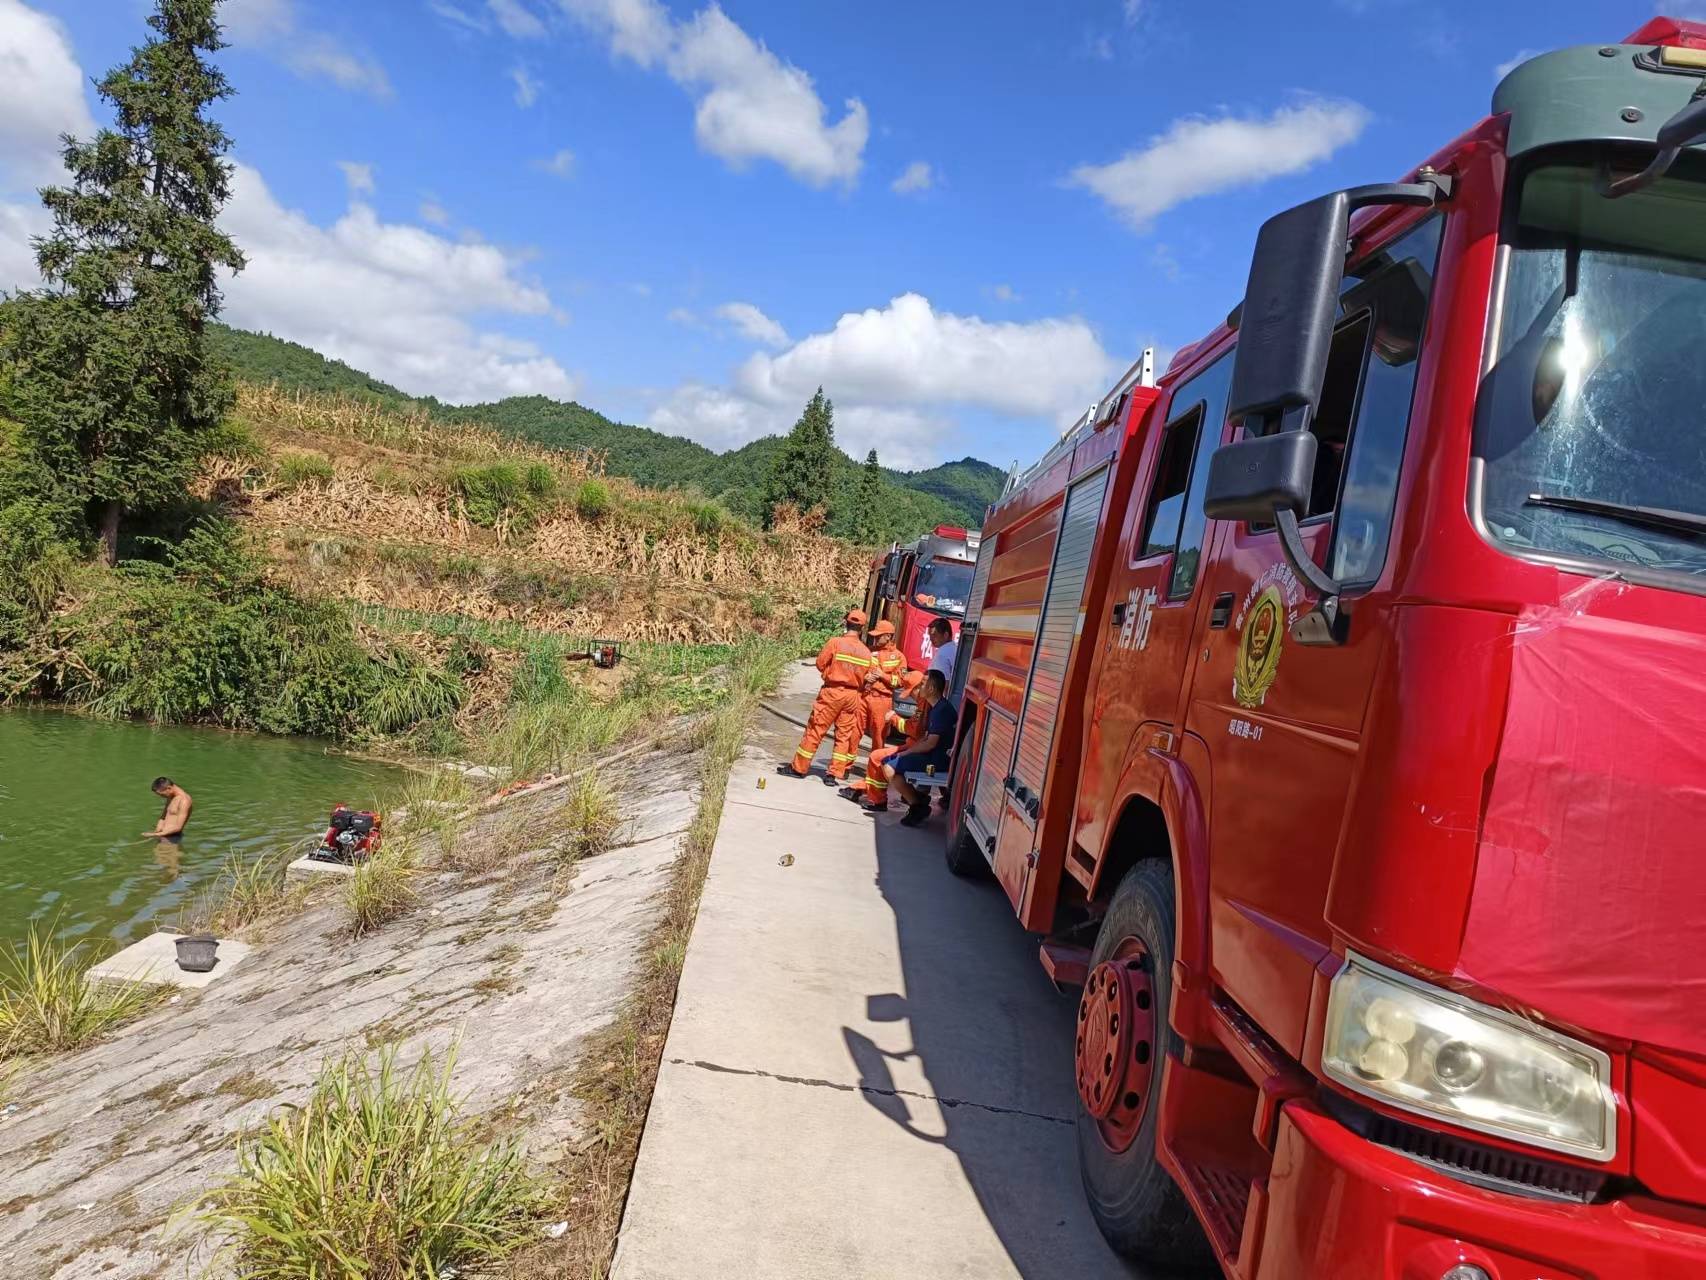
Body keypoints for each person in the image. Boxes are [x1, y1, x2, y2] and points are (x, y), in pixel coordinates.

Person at [781, 609, 873, 785]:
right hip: (852, 696)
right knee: (844, 736)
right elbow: (867, 676)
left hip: (832, 693)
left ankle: (799, 768)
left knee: (815, 730)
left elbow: (820, 663)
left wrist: (832, 673)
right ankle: (834, 774)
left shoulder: (835, 643)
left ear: (846, 623)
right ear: (862, 628)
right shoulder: (866, 652)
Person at [875, 669, 957, 827]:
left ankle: (917, 805)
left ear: (931, 689)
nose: (920, 687)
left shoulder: (941, 711)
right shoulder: (937, 707)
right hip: (933, 755)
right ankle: (918, 800)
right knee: (888, 761)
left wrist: (907, 753)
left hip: (937, 761)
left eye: (923, 684)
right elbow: (926, 738)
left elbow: (931, 743)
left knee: (889, 769)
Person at [854, 696, 924, 812]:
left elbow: (913, 729)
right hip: (913, 745)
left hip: (914, 747)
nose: (911, 695)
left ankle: (879, 800)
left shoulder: (923, 705)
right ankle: (872, 795)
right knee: (877, 755)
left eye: (912, 691)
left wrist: (894, 718)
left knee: (878, 758)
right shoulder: (923, 703)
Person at [858, 620, 910, 755]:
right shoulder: (869, 651)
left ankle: (875, 769)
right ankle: (845, 767)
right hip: (865, 696)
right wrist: (865, 677)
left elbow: (900, 681)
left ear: (888, 636)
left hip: (882, 700)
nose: (875, 638)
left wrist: (882, 675)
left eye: (878, 636)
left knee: (878, 737)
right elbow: (859, 669)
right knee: (854, 730)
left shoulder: (899, 657)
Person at [925, 617, 958, 683]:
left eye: (934, 635)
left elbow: (943, 684)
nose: (931, 638)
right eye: (930, 635)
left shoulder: (943, 654)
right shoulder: (953, 648)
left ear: (945, 635)